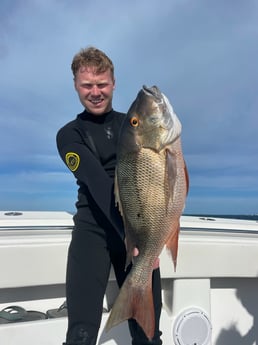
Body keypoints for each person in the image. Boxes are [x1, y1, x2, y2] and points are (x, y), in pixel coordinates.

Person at [56, 46, 162, 345]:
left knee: (149, 335)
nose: (95, 92)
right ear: (76, 86)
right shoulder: (69, 134)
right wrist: (135, 240)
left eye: (101, 84)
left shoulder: (132, 126)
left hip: (139, 229)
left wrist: (148, 238)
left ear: (113, 83)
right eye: (87, 85)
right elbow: (97, 183)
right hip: (94, 231)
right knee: (81, 334)